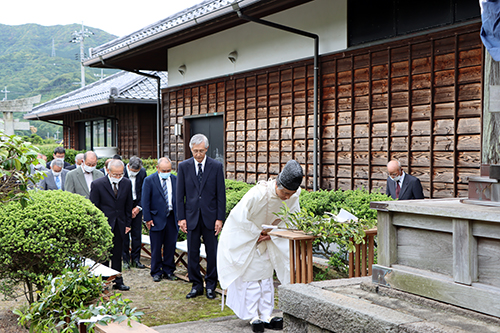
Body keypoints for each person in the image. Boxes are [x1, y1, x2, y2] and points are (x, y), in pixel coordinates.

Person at [217, 160, 303, 332]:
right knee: (251, 279)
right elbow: (238, 219)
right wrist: (257, 234)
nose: (287, 197)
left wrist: (273, 234)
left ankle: (266, 314)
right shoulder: (258, 193)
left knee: (266, 279)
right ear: (277, 183)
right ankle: (252, 315)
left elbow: (292, 218)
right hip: (250, 240)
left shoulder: (293, 195)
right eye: (284, 193)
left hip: (270, 240)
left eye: (290, 194)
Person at [176, 133, 226, 300]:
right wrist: (181, 218)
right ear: (191, 149)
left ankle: (211, 285)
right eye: (195, 151)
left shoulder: (216, 166)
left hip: (211, 218)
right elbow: (179, 195)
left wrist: (220, 219)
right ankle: (196, 285)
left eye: (201, 151)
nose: (198, 154)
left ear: (207, 149)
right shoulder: (183, 167)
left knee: (212, 253)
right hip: (191, 217)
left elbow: (221, 195)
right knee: (192, 252)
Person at [90, 159, 133, 291]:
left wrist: (128, 223)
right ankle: (102, 281)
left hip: (120, 224)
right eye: (115, 174)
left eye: (121, 174)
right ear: (108, 171)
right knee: (103, 255)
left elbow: (128, 204)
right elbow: (94, 207)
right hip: (104, 224)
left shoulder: (126, 183)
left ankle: (118, 280)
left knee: (117, 254)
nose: (118, 177)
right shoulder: (97, 184)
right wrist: (97, 226)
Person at [142, 157, 178, 282]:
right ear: (157, 168)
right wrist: (147, 218)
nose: (166, 172)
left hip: (172, 217)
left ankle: (168, 270)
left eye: (168, 170)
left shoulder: (175, 179)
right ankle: (156, 271)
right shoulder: (149, 180)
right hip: (156, 218)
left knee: (170, 246)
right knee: (156, 247)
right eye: (163, 170)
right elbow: (145, 201)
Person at [122, 156, 148, 269]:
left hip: (137, 205)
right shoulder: (120, 171)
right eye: (133, 172)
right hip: (123, 206)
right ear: (128, 166)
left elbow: (145, 191)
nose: (135, 174)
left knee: (137, 234)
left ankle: (136, 259)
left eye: (136, 172)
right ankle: (125, 260)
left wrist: (138, 207)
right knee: (124, 234)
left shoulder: (142, 172)